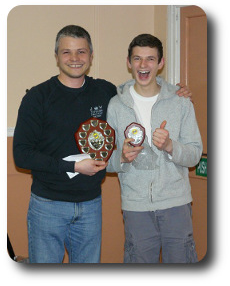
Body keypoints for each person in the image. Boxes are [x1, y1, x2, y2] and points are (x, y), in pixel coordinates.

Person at [13, 25, 192, 263]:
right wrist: (73, 167)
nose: (75, 59)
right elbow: (22, 155)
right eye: (67, 52)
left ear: (91, 55)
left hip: (90, 205)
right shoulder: (37, 97)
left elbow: (138, 88)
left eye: (81, 52)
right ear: (56, 56)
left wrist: (174, 90)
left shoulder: (105, 92)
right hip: (48, 205)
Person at [106, 34, 202, 263]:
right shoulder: (116, 105)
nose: (143, 65)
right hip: (135, 205)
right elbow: (107, 161)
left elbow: (194, 154)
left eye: (150, 59)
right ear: (129, 62)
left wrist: (170, 146)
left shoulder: (180, 102)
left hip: (176, 204)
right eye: (137, 58)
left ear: (161, 63)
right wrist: (122, 157)